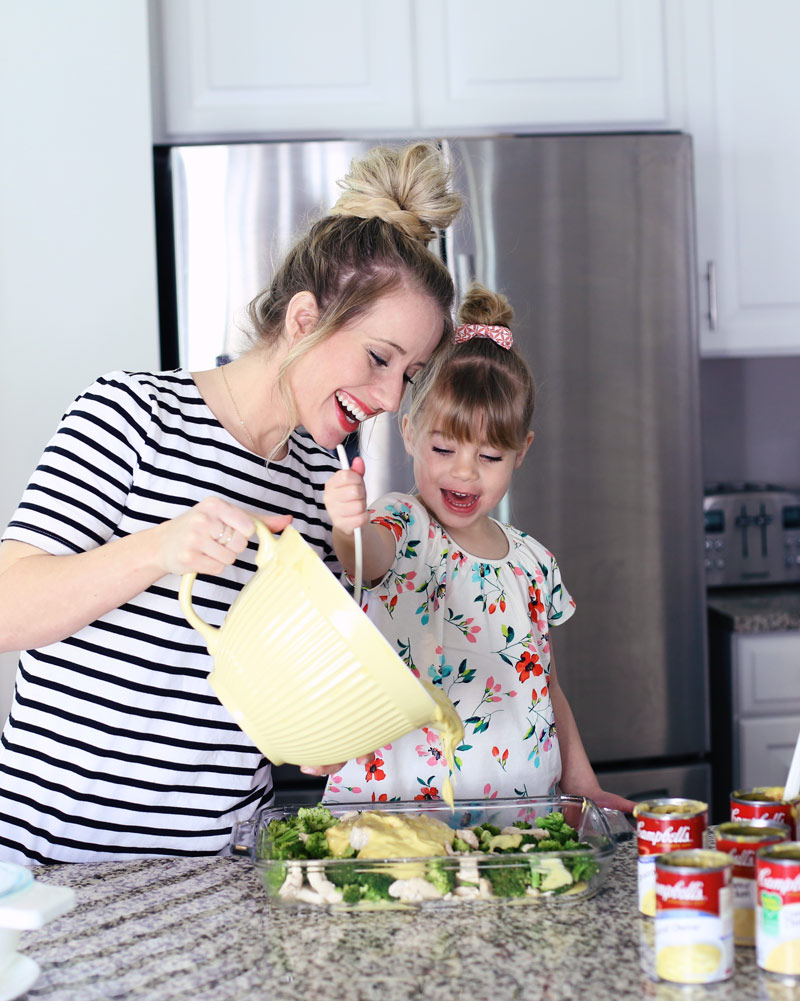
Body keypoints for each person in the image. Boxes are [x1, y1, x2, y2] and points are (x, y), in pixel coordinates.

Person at [0, 141, 462, 864]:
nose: (390, 398)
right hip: (54, 865)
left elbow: (281, 708)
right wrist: (159, 547)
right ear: (304, 319)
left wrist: (324, 726)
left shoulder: (320, 480)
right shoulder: (131, 413)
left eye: (410, 374)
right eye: (379, 358)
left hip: (215, 873)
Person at [322, 282, 634, 812]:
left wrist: (581, 783)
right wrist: (346, 523)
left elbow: (546, 685)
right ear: (410, 432)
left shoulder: (534, 563)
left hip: (518, 819)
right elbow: (362, 555)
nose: (465, 472)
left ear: (521, 451)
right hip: (399, 815)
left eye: (489, 457)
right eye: (444, 448)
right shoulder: (404, 526)